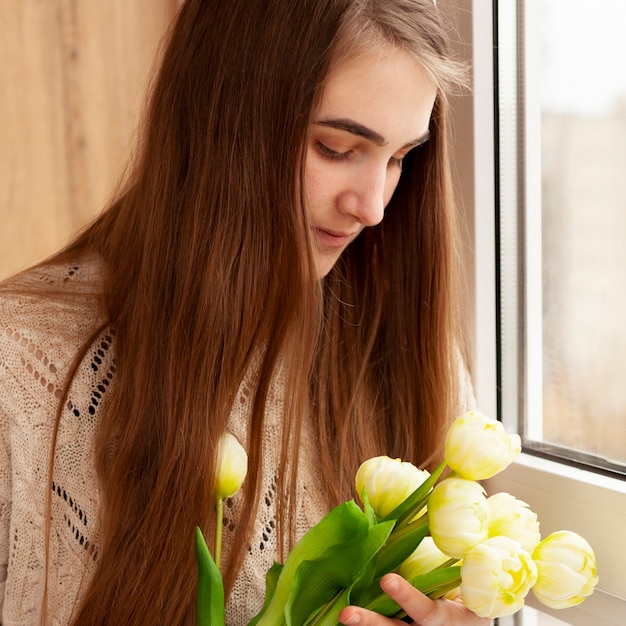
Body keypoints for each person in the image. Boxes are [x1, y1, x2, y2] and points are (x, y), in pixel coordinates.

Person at [0, 0, 486, 624]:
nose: (373, 207)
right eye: (336, 148)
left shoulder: (410, 357)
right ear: (220, 123)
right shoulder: (21, 366)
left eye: (399, 158)